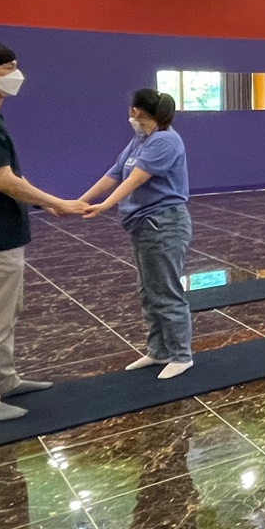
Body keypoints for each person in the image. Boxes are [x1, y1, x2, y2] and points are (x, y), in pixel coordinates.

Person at [0, 40, 87, 422]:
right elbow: (4, 181)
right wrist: (59, 203)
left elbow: (11, 177)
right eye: (9, 67)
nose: (17, 74)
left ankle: (5, 380)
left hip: (2, 235)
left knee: (6, 313)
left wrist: (44, 203)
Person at [78, 89, 196, 379]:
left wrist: (104, 206)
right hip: (143, 225)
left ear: (137, 111)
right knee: (149, 291)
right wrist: (81, 200)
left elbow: (136, 179)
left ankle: (181, 355)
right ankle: (159, 351)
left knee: (166, 292)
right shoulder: (141, 139)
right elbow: (115, 173)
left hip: (164, 225)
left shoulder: (166, 140)